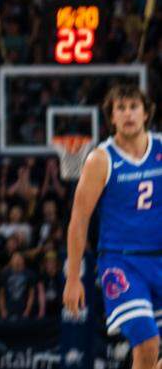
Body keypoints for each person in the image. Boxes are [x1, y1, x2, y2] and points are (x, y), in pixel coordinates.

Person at [66, 85, 162, 369]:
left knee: (149, 358)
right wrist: (73, 278)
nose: (128, 113)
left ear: (146, 113)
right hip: (121, 262)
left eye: (134, 106)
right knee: (146, 344)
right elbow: (79, 219)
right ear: (112, 117)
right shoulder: (101, 159)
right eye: (121, 108)